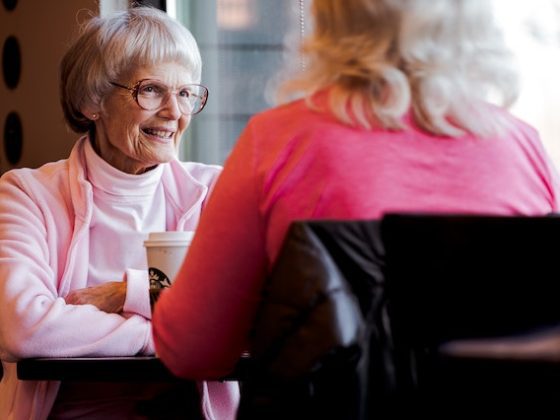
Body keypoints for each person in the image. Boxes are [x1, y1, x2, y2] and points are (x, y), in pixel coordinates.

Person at [152, 0, 560, 384]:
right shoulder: (525, 149)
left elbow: (193, 351)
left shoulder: (278, 142)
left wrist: (147, 291)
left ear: (330, 18)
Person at [0, 6, 238, 420]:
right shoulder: (27, 193)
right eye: (151, 90)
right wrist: (163, 331)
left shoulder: (213, 192)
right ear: (92, 101)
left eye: (185, 93)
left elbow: (240, 313)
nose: (173, 112)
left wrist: (126, 293)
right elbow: (24, 328)